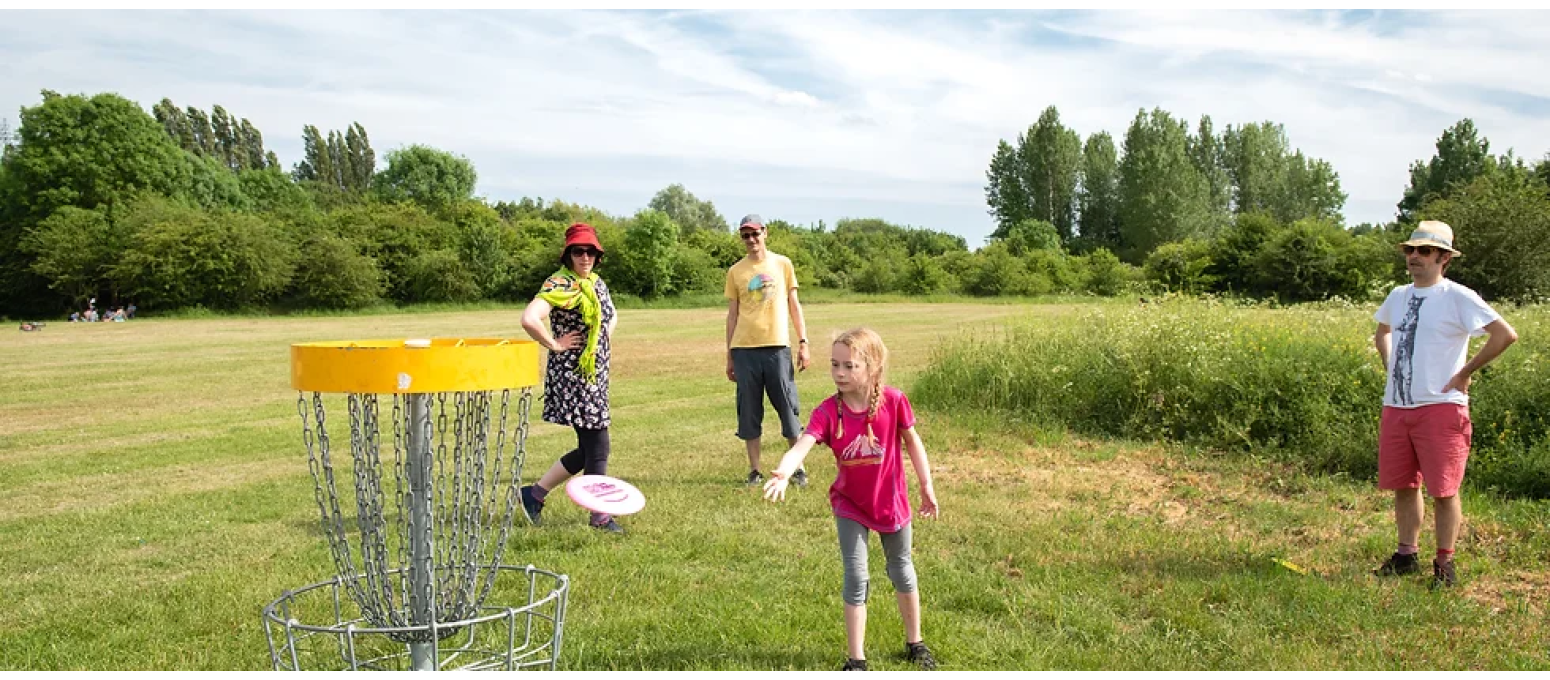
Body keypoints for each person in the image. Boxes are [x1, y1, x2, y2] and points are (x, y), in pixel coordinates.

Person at [763, 328, 940, 671]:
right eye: (834, 365)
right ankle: (856, 659)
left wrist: (926, 484)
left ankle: (915, 642)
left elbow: (913, 442)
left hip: (891, 503)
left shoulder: (894, 401)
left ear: (871, 368)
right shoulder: (829, 411)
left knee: (902, 571)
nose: (840, 373)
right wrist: (784, 471)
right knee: (856, 578)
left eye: (849, 366)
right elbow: (804, 443)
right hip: (850, 506)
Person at [1372, 220, 1517, 589]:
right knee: (1404, 485)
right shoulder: (1398, 296)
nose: (1414, 257)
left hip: (1441, 407)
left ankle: (1445, 565)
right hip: (1397, 407)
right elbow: (1382, 332)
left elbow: (1505, 335)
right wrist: (1390, 366)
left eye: (1424, 251)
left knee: (1444, 490)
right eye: (1410, 250)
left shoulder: (1458, 297)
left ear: (1443, 258)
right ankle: (1406, 555)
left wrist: (1466, 372)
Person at [518, 222, 623, 533]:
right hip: (574, 378)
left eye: (591, 251)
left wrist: (601, 338)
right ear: (568, 255)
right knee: (599, 445)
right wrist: (554, 343)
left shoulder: (594, 283)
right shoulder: (559, 285)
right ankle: (599, 516)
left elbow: (612, 314)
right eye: (579, 251)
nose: (585, 257)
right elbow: (529, 318)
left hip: (594, 374)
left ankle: (533, 495)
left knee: (590, 448)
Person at [725, 213, 812, 487]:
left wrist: (803, 341)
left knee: (787, 407)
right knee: (749, 410)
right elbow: (732, 315)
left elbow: (794, 305)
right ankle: (754, 470)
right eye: (745, 236)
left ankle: (796, 467)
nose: (751, 240)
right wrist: (729, 354)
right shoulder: (736, 271)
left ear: (765, 232)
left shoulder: (782, 264)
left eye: (755, 234)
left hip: (777, 347)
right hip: (744, 349)